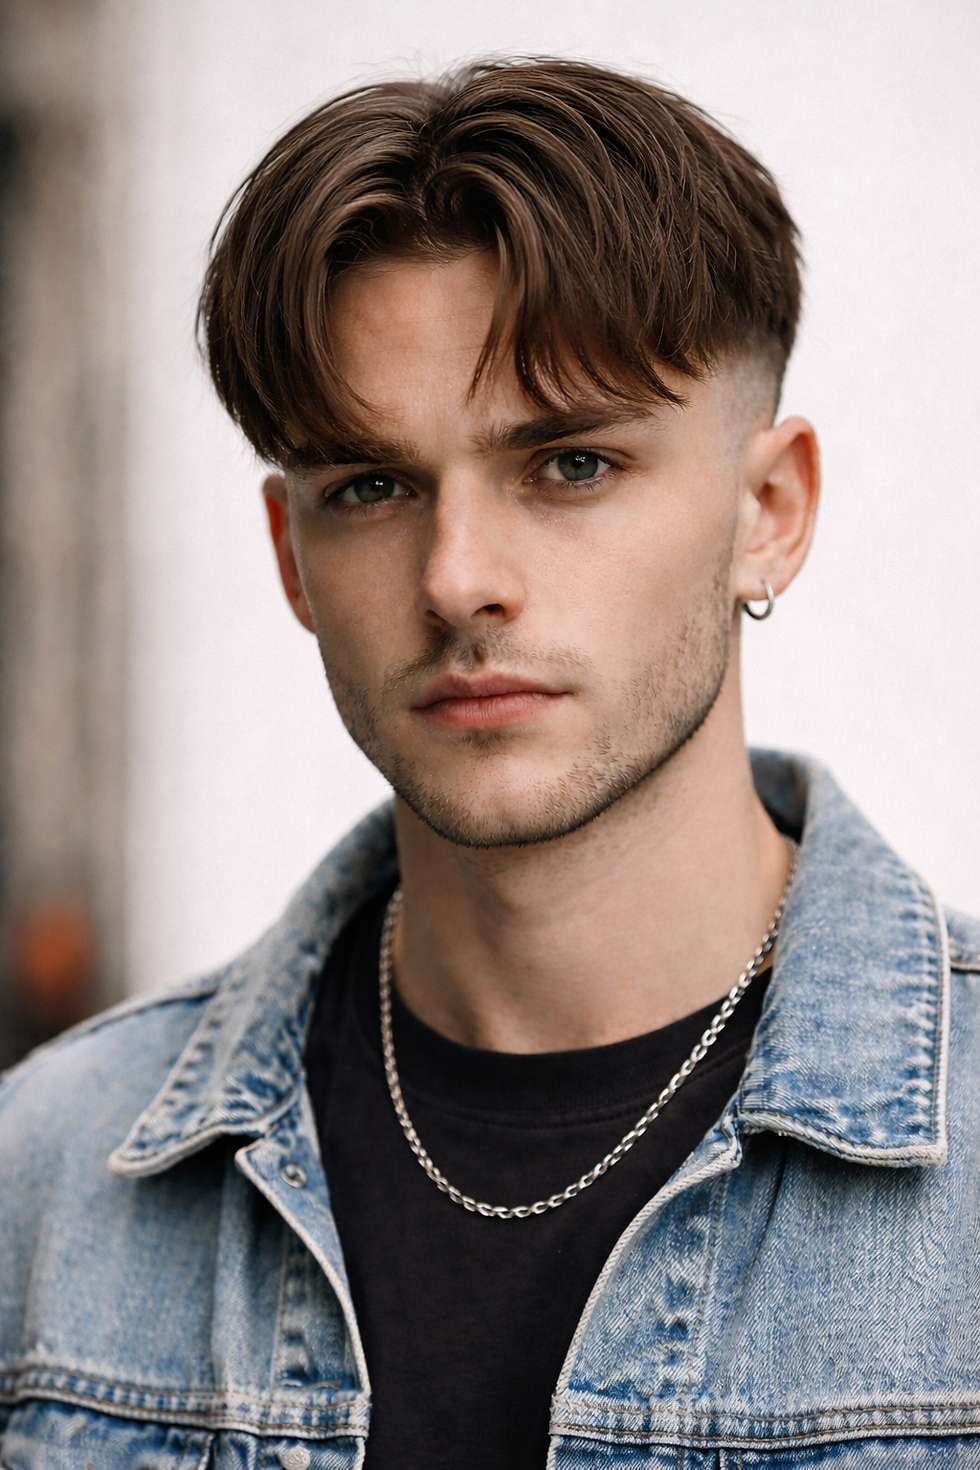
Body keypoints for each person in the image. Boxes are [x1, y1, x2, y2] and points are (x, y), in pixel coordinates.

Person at [1, 57, 978, 1470]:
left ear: (769, 511)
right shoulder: (45, 1181)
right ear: (292, 558)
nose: (459, 580)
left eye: (569, 464)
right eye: (373, 488)